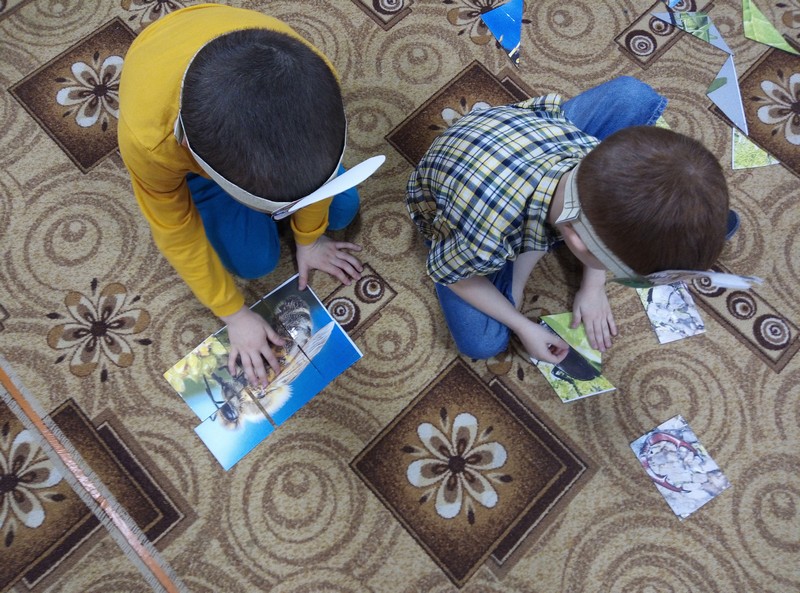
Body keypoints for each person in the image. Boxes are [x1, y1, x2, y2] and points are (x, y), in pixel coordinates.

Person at [118, 4, 381, 386]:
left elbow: (318, 177)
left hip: (257, 112)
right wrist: (235, 314)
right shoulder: (151, 144)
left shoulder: (312, 70)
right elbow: (175, 231)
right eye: (277, 208)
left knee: (343, 209)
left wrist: (309, 238)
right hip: (186, 135)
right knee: (256, 262)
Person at [406, 76, 734, 365]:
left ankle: (546, 252)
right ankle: (528, 260)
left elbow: (589, 221)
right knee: (483, 341)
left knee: (633, 96)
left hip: (525, 139)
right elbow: (454, 277)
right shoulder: (486, 234)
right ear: (573, 239)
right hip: (460, 201)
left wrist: (593, 285)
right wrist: (522, 324)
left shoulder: (594, 153)